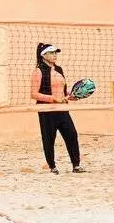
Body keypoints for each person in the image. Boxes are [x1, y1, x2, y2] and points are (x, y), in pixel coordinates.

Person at [30, 43, 86, 174]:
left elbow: (63, 92)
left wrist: (70, 97)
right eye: (51, 53)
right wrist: (53, 99)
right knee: (49, 138)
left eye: (56, 52)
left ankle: (76, 165)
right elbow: (34, 94)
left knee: (72, 134)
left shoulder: (59, 69)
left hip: (62, 109)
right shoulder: (38, 71)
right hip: (47, 111)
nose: (55, 55)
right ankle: (52, 167)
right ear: (43, 56)